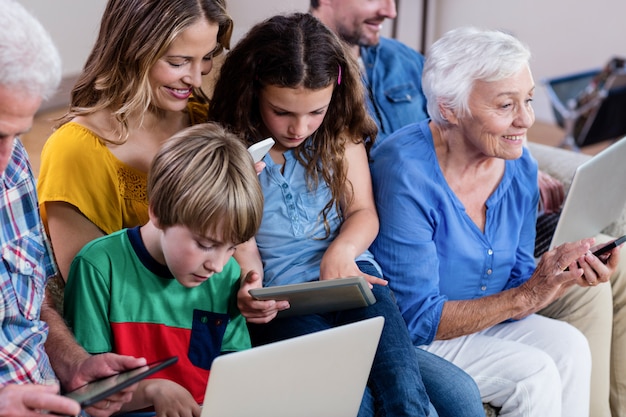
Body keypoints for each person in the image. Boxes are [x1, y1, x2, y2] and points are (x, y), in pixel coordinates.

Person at [312, 2, 626, 416]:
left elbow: (514, 280)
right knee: (534, 373)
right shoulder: (405, 172)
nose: (526, 120)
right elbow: (414, 318)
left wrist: (556, 277)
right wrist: (528, 293)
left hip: (479, 321)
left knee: (570, 346)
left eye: (528, 100)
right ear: (449, 109)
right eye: (505, 105)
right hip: (418, 337)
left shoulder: (517, 167)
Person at [209, 11, 482, 417]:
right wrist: (251, 284)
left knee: (413, 395)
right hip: (285, 301)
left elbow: (362, 212)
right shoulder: (233, 150)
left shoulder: (340, 134)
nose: (299, 128)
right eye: (282, 112)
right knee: (355, 403)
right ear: (252, 93)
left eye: (315, 111)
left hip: (354, 280)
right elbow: (241, 242)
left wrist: (343, 250)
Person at [0, 1, 146, 416]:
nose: (7, 157)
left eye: (17, 134)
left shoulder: (12, 168)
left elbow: (31, 303)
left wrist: (73, 363)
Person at [63, 123, 263, 415]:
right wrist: (153, 390)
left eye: (232, 248)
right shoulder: (98, 266)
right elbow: (90, 390)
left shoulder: (228, 275)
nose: (218, 265)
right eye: (206, 244)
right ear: (156, 211)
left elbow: (236, 370)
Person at [36, 0, 233, 281]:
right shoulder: (75, 151)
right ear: (131, 50)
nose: (196, 79)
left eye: (207, 57)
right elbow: (90, 288)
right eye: (178, 62)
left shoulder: (207, 123)